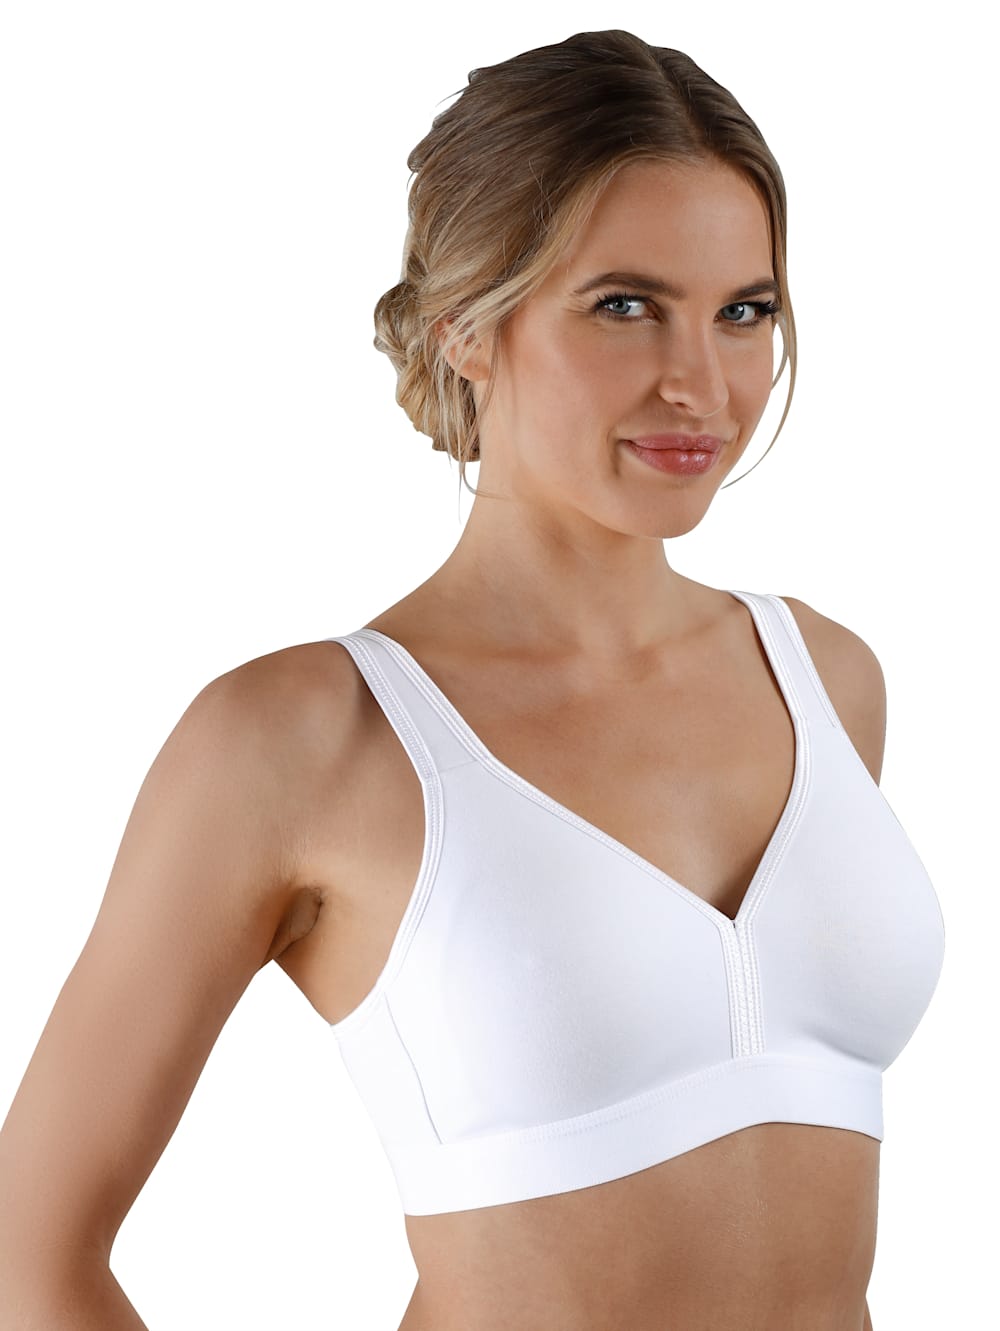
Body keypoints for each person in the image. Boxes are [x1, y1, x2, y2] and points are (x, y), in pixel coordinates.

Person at [0, 27, 946, 1331]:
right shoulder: (304, 739)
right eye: (625, 305)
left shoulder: (826, 679)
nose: (701, 384)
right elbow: (27, 1252)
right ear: (467, 330)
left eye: (744, 311)